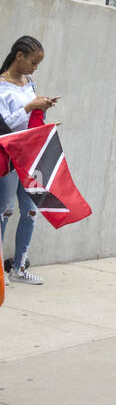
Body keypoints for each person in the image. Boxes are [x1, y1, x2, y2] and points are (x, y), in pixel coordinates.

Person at [0, 34, 58, 285]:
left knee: (31, 210)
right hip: (10, 154)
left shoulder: (29, 83)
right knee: (5, 210)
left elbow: (28, 118)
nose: (35, 68)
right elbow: (4, 126)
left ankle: (20, 267)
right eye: (33, 62)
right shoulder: (1, 86)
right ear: (19, 56)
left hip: (30, 154)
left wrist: (41, 106)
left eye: (38, 64)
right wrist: (29, 107)